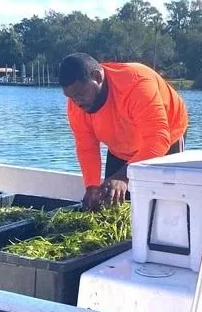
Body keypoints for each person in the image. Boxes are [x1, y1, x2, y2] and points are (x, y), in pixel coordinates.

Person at [59, 52, 189, 210]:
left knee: (165, 205)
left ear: (97, 77)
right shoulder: (76, 104)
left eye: (80, 94)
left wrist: (123, 176)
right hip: (120, 146)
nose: (76, 102)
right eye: (70, 97)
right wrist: (92, 186)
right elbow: (87, 148)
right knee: (109, 202)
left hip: (167, 138)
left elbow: (158, 139)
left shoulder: (136, 83)